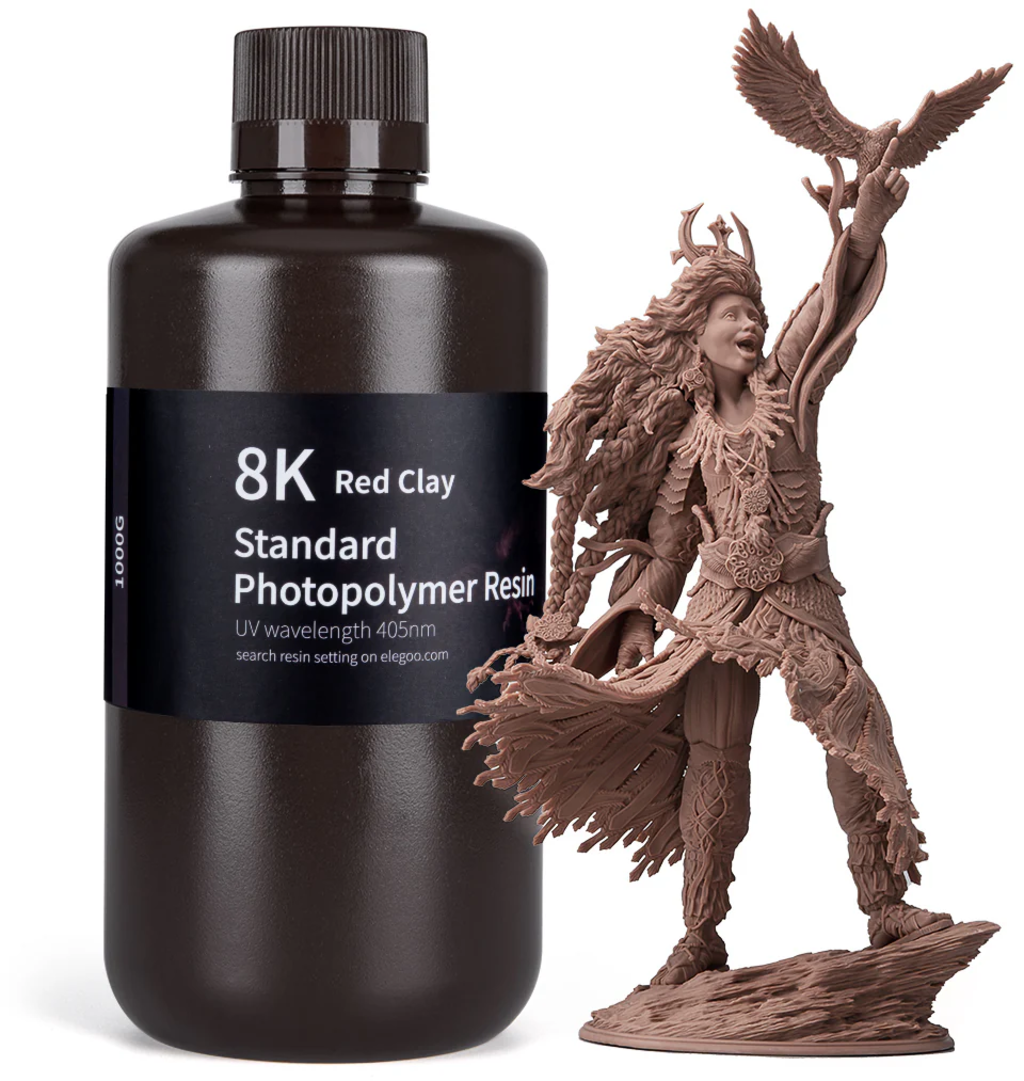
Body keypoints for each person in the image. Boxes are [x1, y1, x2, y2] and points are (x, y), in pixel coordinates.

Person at [463, 138, 952, 984]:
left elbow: (824, 310)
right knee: (714, 754)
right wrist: (636, 627)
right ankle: (699, 933)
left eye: (754, 313)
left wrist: (863, 230)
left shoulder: (787, 389)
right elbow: (666, 549)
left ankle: (884, 906)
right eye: (732, 313)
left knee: (853, 727)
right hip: (720, 610)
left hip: (802, 598)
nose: (750, 324)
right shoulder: (686, 445)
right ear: (698, 331)